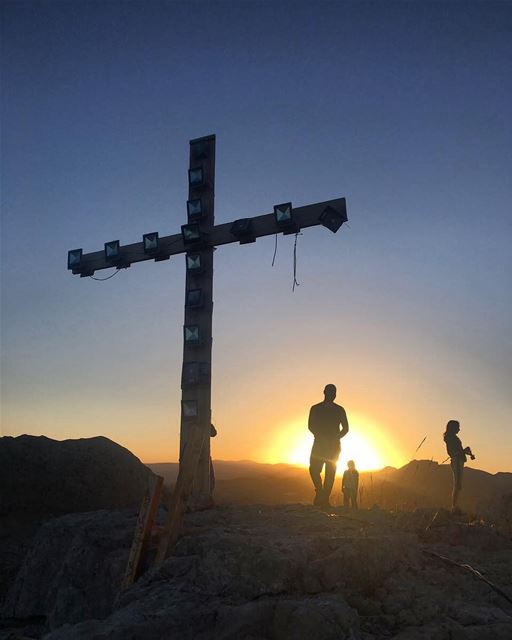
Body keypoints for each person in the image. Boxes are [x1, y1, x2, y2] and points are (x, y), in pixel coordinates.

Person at [308, 384, 349, 507]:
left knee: (330, 473)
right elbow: (311, 425)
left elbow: (346, 428)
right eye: (330, 392)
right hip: (319, 444)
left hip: (333, 446)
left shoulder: (340, 410)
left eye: (334, 392)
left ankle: (324, 499)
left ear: (335, 394)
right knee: (314, 469)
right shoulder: (315, 408)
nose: (332, 394)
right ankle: (320, 492)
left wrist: (335, 438)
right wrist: (320, 436)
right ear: (324, 392)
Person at [443, 419, 475, 513]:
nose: (459, 429)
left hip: (458, 461)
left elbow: (456, 451)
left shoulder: (451, 438)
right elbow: (453, 453)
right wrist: (465, 451)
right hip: (457, 461)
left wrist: (467, 452)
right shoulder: (451, 438)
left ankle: (455, 506)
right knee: (457, 484)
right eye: (458, 427)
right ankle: (454, 507)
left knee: (458, 484)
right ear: (453, 428)